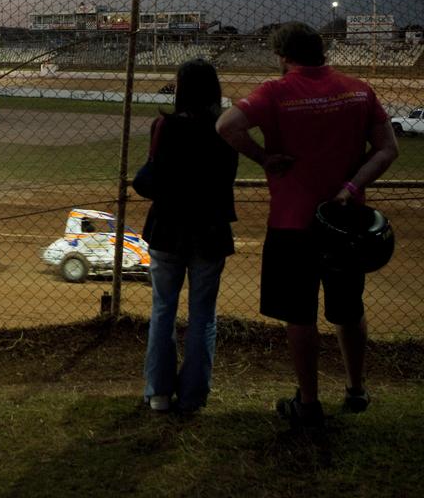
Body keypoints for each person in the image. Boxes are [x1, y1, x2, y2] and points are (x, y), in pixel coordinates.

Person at [216, 22, 398, 429]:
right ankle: (355, 388)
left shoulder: (276, 91)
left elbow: (226, 126)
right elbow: (388, 149)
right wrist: (352, 187)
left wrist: (264, 159)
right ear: (322, 51)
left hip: (292, 223)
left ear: (284, 56)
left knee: (300, 316)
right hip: (346, 225)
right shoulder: (359, 89)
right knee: (349, 311)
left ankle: (309, 403)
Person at [135, 59, 238, 413]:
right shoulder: (226, 129)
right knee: (203, 316)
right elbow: (227, 179)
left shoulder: (163, 126)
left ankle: (159, 393)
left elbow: (151, 178)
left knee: (163, 309)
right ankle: (193, 396)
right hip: (209, 230)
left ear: (181, 89)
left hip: (167, 228)